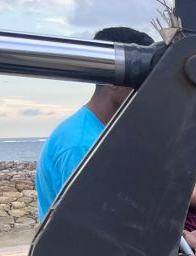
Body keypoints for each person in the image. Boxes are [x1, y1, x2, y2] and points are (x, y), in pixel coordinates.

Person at [36, 27, 155, 222]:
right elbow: (94, 227)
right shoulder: (82, 144)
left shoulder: (106, 133)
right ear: (115, 79)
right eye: (146, 79)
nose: (151, 90)